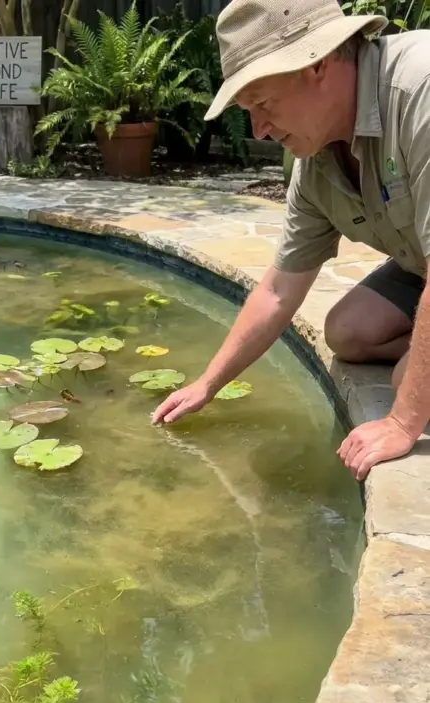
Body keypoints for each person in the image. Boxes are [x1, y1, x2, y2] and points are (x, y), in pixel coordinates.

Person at [152, 0, 430, 482]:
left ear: (316, 63)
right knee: (348, 331)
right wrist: (207, 385)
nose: (258, 128)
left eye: (262, 103)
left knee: (410, 384)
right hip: (418, 263)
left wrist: (403, 421)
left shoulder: (418, 90)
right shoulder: (317, 161)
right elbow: (279, 290)